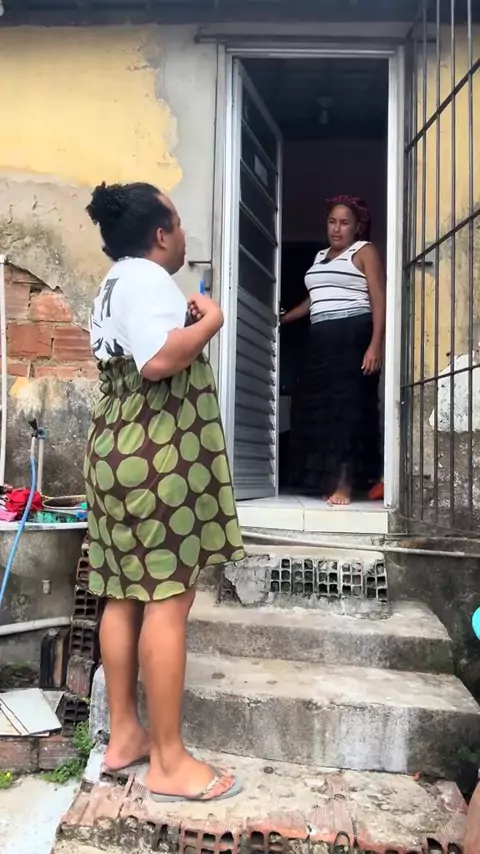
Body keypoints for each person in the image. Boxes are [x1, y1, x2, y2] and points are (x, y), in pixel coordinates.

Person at [84, 181, 245, 803]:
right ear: (160, 233)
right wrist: (213, 320)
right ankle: (170, 763)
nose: (183, 234)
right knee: (168, 600)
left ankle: (126, 734)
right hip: (154, 455)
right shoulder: (150, 278)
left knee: (123, 593)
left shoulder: (114, 282)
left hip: (115, 449)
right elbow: (156, 360)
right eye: (177, 223)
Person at [281, 195, 385, 505]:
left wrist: (375, 345)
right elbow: (314, 299)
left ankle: (345, 485)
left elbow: (379, 297)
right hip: (321, 338)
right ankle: (329, 479)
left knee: (347, 410)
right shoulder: (319, 256)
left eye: (344, 223)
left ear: (357, 227)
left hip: (353, 334)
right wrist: (283, 318)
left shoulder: (364, 251)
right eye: (332, 222)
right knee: (318, 408)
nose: (337, 229)